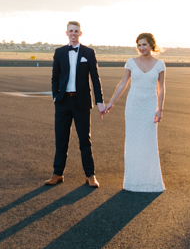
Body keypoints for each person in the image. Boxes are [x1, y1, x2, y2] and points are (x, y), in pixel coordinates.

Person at [103, 32, 166, 192]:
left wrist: (160, 108)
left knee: (149, 141)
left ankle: (150, 180)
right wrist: (111, 103)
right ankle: (133, 180)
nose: (141, 48)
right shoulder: (131, 62)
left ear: (151, 45)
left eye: (144, 44)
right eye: (139, 45)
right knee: (133, 142)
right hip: (134, 106)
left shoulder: (160, 65)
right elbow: (123, 83)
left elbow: (161, 88)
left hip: (150, 106)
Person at [47, 21, 106, 187]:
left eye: (76, 31)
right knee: (61, 139)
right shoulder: (59, 52)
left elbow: (95, 78)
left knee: (85, 141)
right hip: (63, 102)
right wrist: (55, 97)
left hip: (81, 103)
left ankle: (90, 175)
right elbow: (55, 77)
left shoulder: (89, 52)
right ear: (67, 33)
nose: (73, 33)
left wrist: (99, 101)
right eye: (71, 31)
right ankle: (57, 174)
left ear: (80, 33)